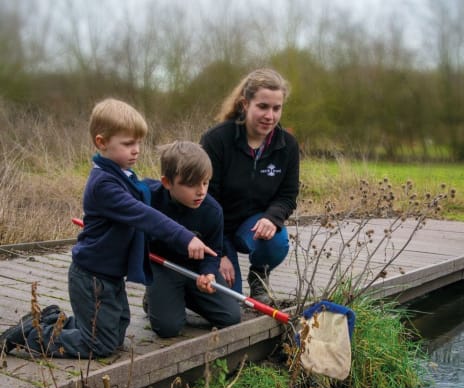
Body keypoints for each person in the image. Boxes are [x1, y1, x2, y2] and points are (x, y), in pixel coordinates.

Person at [0, 98, 216, 359]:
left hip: (110, 275)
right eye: (127, 144)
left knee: (115, 335)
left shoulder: (123, 174)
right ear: (101, 142)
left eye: (138, 143)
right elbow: (142, 214)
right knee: (99, 347)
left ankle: (51, 319)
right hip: (92, 276)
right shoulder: (103, 184)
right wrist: (184, 237)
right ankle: (28, 334)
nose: (136, 150)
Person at [200, 68, 300, 303]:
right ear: (245, 104)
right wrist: (219, 254)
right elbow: (204, 200)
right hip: (216, 228)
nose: (270, 116)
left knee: (277, 239)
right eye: (263, 106)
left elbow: (287, 195)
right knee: (229, 299)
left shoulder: (288, 145)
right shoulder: (216, 140)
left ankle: (259, 277)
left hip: (251, 227)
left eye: (277, 108)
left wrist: (271, 218)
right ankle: (171, 290)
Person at [141, 141, 241, 337]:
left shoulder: (212, 211)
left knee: (231, 317)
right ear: (167, 182)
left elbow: (213, 253)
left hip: (194, 268)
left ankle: (178, 296)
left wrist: (208, 274)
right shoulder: (147, 196)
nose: (201, 191)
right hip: (162, 266)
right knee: (168, 328)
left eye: (205, 182)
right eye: (191, 184)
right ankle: (156, 297)